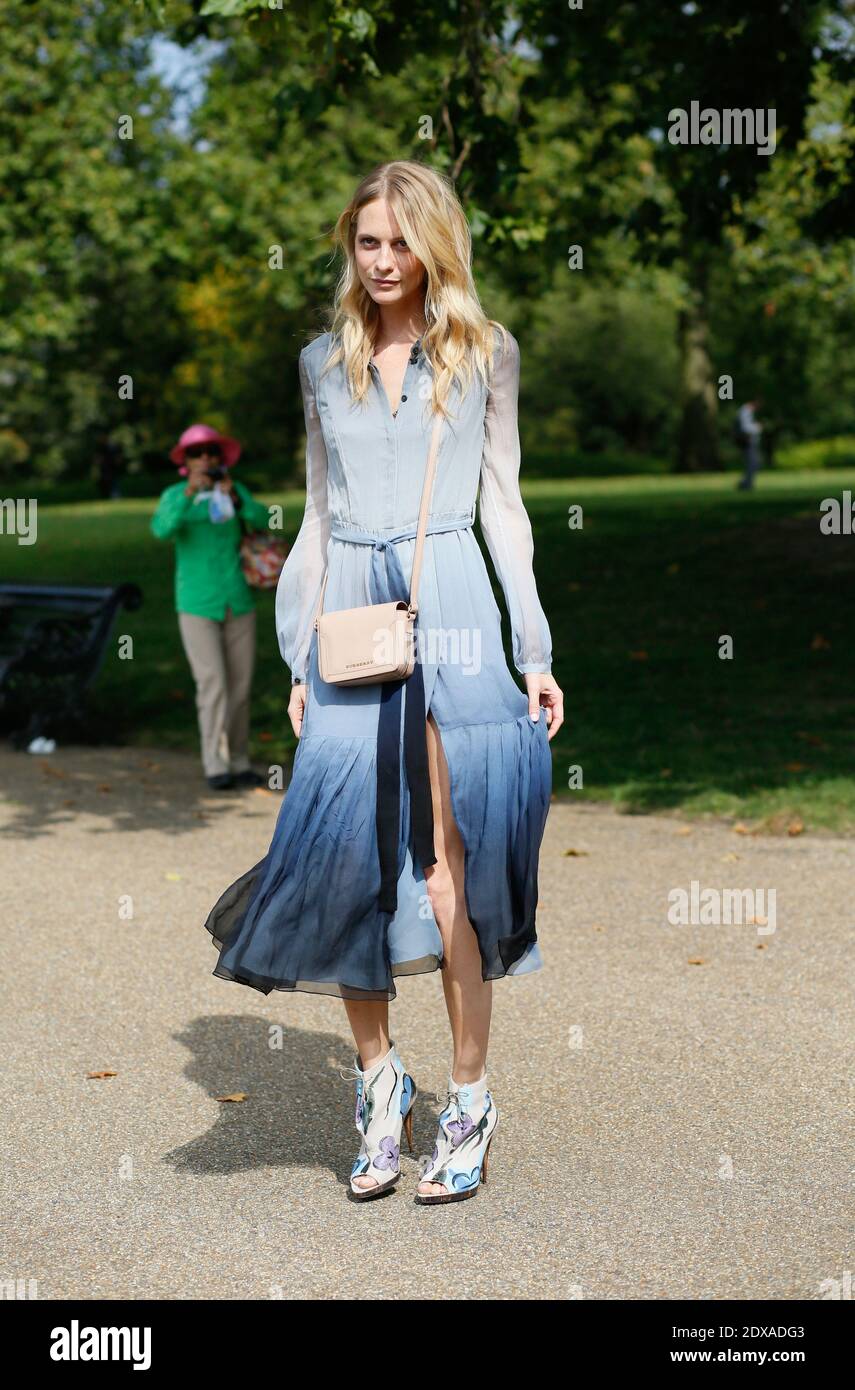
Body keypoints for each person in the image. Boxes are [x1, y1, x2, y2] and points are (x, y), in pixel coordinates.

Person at [203, 161, 565, 1205]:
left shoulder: (486, 354)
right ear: (349, 247)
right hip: (352, 614)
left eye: (403, 242)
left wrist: (532, 648)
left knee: (458, 868)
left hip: (451, 600)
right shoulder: (323, 361)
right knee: (341, 860)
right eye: (367, 241)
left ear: (436, 245)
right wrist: (295, 652)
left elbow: (505, 505)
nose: (384, 261)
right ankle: (376, 1081)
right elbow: (317, 511)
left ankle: (468, 1095)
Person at [151, 424, 273, 791]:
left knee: (240, 686)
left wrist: (235, 498)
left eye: (211, 452)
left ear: (220, 458)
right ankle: (214, 763)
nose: (205, 458)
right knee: (213, 684)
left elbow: (264, 520)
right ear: (186, 461)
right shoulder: (176, 494)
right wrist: (190, 493)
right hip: (196, 603)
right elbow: (161, 529)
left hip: (237, 599)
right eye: (197, 452)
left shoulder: (233, 492)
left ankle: (239, 761)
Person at [736, 398, 763, 490]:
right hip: (748, 441)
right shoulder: (746, 410)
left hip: (750, 441)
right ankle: (746, 483)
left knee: (753, 463)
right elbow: (745, 427)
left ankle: (746, 483)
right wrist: (757, 427)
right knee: (753, 462)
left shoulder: (748, 411)